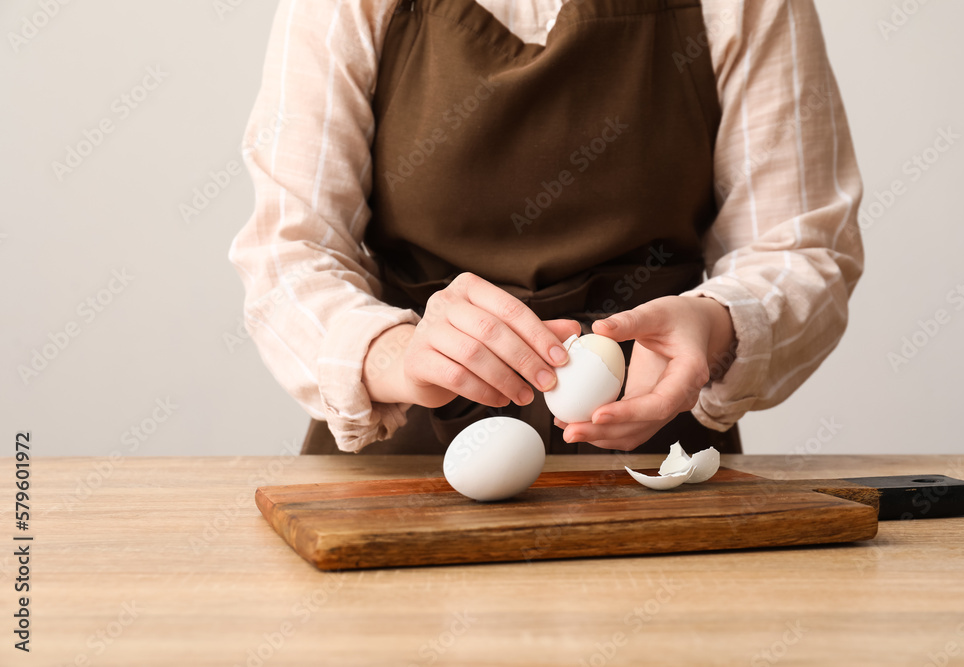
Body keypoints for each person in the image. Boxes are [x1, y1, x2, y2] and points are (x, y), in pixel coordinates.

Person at [229, 0, 864, 456]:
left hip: (657, 470)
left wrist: (718, 324)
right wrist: (396, 354)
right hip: (404, 469)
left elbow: (804, 247)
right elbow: (290, 251)